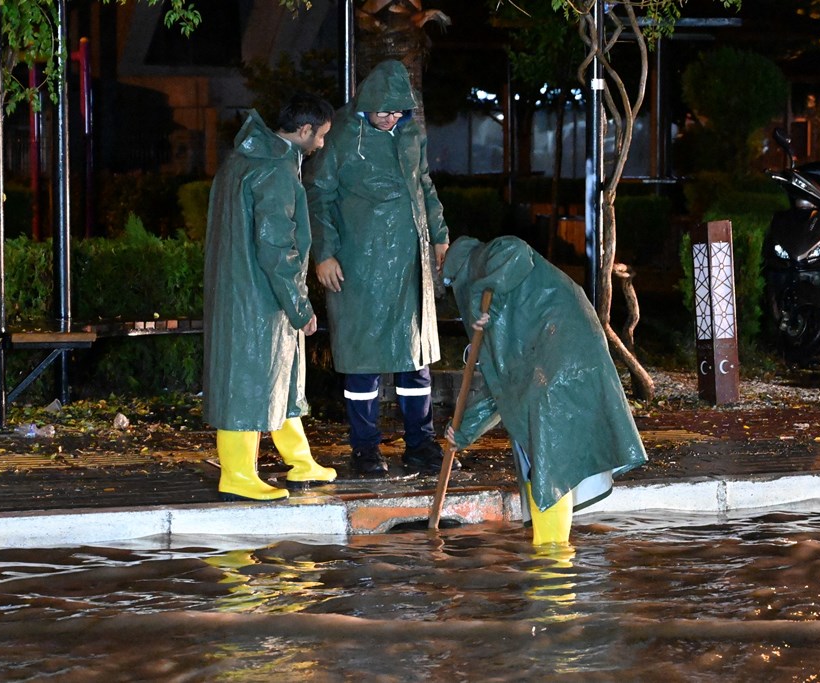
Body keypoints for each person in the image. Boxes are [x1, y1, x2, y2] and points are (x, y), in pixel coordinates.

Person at [442, 236, 648, 545]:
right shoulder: (493, 317)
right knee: (538, 458)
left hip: (560, 361)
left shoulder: (494, 255)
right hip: (552, 366)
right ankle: (550, 550)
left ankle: (552, 554)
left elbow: (516, 253)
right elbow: (499, 387)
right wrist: (463, 431)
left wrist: (487, 299)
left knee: (548, 460)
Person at [305, 59, 452, 477]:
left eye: (398, 110)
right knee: (362, 362)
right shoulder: (342, 136)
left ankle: (420, 444)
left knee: (415, 357)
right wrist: (325, 253)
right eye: (384, 110)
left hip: (410, 262)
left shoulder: (410, 134)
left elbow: (424, 184)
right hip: (359, 265)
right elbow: (319, 194)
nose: (391, 117)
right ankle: (365, 449)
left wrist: (439, 234)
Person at [203, 93, 337, 502]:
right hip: (259, 298)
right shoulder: (275, 171)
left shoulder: (243, 161)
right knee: (250, 382)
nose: (321, 144)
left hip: (245, 291)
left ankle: (301, 460)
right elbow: (277, 247)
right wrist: (299, 305)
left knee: (280, 377)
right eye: (320, 136)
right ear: (303, 130)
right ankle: (239, 474)